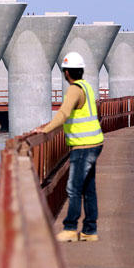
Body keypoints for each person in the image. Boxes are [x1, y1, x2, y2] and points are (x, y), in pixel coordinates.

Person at [33, 52, 104, 242]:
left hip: (83, 146)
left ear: (66, 73)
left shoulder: (73, 89)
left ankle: (71, 228)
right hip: (95, 142)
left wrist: (46, 129)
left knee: (73, 188)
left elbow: (63, 113)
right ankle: (90, 231)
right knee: (88, 189)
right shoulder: (86, 86)